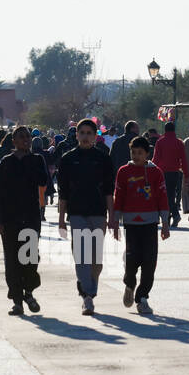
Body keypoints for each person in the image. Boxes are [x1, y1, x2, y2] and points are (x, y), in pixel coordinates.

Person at [55, 118, 115, 315]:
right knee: (81, 256)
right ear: (77, 134)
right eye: (82, 133)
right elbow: (63, 192)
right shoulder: (68, 159)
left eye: (90, 133)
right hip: (77, 213)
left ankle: (90, 289)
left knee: (95, 260)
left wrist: (112, 216)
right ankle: (87, 296)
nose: (86, 136)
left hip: (98, 213)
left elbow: (109, 191)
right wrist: (62, 219)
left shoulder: (103, 159)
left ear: (95, 136)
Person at [110, 136, 170, 316]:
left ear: (147, 154)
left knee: (149, 262)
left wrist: (165, 223)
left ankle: (142, 298)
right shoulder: (123, 171)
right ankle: (129, 284)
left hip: (150, 224)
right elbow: (118, 197)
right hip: (130, 224)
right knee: (132, 260)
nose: (136, 156)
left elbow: (162, 198)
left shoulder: (156, 172)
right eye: (133, 152)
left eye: (140, 153)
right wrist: (114, 221)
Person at [0, 126, 47, 315]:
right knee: (13, 261)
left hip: (30, 217)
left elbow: (43, 181)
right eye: (21, 137)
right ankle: (17, 301)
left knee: (30, 258)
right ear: (13, 141)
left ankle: (29, 291)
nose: (25, 140)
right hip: (9, 219)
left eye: (27, 137)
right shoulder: (6, 162)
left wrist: (33, 158)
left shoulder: (37, 160)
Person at [153, 122, 188, 228]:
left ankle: (171, 216)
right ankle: (171, 216)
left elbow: (156, 158)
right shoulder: (179, 142)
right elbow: (184, 160)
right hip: (175, 173)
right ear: (174, 130)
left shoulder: (160, 142)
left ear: (165, 130)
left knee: (164, 195)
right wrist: (186, 174)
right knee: (171, 195)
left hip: (162, 172)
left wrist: (151, 169)